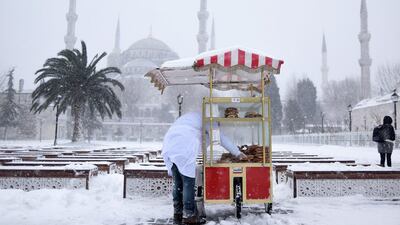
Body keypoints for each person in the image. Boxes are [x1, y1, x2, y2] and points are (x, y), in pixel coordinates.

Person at [162, 111, 246, 224]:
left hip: (169, 143)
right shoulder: (209, 120)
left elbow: (203, 141)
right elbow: (220, 138)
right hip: (185, 144)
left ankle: (177, 213)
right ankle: (189, 215)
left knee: (177, 183)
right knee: (188, 183)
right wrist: (237, 153)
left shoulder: (191, 117)